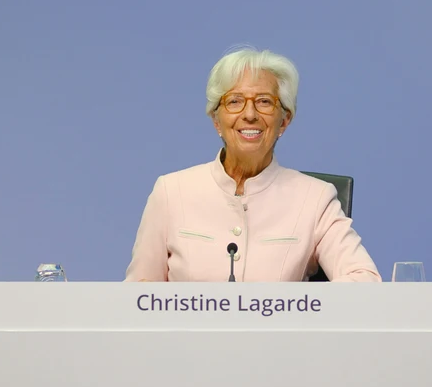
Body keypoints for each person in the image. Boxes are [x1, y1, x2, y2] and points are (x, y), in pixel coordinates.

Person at [126, 48, 379, 282]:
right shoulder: (171, 191)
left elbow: (364, 280)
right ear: (217, 120)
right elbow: (137, 295)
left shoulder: (315, 198)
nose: (250, 114)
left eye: (264, 102)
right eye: (235, 101)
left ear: (284, 121)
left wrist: (300, 309)